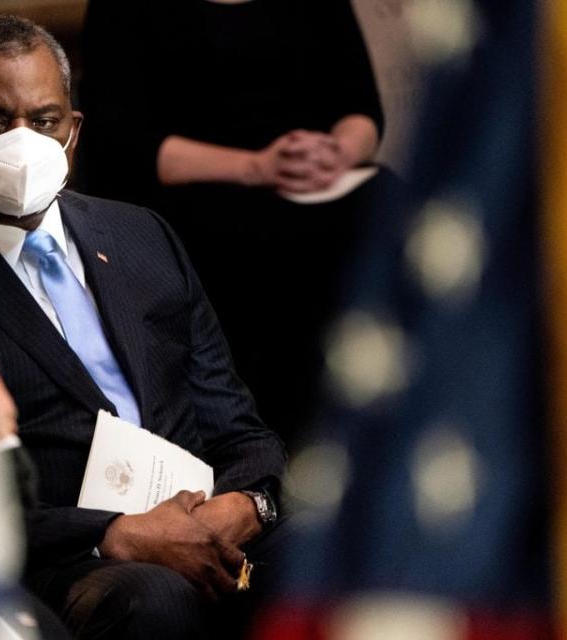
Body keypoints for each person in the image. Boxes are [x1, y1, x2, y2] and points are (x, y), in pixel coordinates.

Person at [0, 15, 288, 639]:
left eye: (43, 121)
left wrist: (245, 504)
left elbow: (241, 432)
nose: (20, 142)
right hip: (60, 563)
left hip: (200, 524)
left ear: (73, 131)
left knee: (350, 565)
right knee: (152, 600)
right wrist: (111, 535)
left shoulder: (141, 237)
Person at [79, 0, 387, 444]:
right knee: (259, 244)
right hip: (193, 190)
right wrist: (257, 167)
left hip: (315, 183)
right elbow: (121, 143)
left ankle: (363, 438)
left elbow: (362, 108)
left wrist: (337, 152)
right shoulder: (125, 9)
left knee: (380, 212)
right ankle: (259, 448)